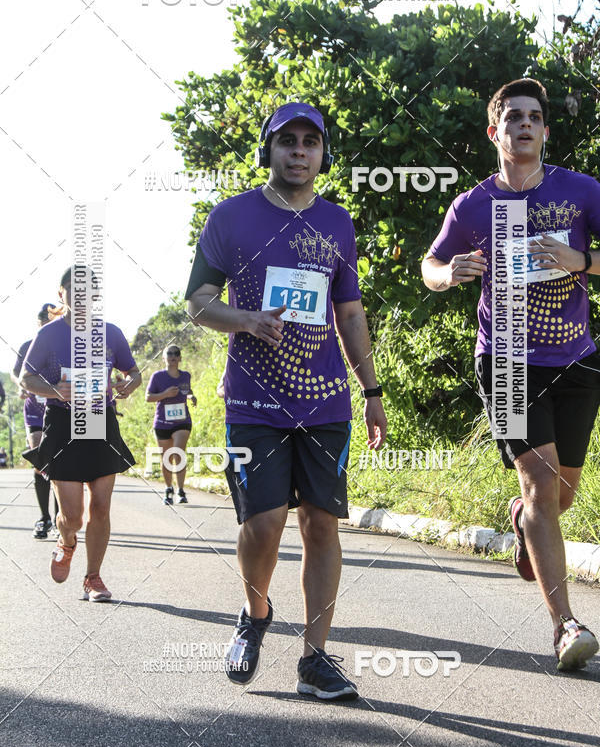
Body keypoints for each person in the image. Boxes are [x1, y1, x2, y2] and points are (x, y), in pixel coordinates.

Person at [186, 102, 387, 700]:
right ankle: (255, 613)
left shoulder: (338, 223)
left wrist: (372, 391)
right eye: (287, 142)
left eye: (310, 143)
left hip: (325, 400)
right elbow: (198, 300)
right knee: (264, 522)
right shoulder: (230, 217)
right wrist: (245, 319)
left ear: (322, 154)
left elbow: (349, 312)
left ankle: (316, 658)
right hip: (253, 400)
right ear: (268, 150)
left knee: (322, 524)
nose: (299, 152)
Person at [421, 78, 600, 671]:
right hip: (506, 360)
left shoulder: (581, 192)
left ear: (545, 131)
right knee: (540, 487)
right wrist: (453, 272)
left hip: (575, 360)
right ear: (495, 132)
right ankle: (564, 625)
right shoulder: (472, 205)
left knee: (560, 494)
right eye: (512, 118)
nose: (524, 125)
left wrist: (582, 260)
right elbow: (430, 264)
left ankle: (524, 523)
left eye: (534, 117)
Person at [20, 267, 141, 601]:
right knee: (72, 516)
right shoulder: (48, 335)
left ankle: (93, 578)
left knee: (101, 507)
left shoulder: (111, 333)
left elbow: (132, 371)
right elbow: (25, 380)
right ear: (63, 294)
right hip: (62, 423)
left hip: (100, 421)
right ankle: (67, 540)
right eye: (76, 290)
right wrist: (54, 388)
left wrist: (130, 382)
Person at [12, 303, 60, 538]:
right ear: (38, 323)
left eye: (50, 322)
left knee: (62, 463)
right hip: (35, 409)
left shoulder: (65, 345)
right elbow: (16, 371)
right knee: (40, 456)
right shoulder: (27, 346)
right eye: (43, 322)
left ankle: (62, 519)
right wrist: (21, 384)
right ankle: (44, 518)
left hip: (61, 408)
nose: (46, 326)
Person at [146, 345, 197, 505]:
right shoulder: (157, 376)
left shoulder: (185, 376)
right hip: (162, 422)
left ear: (180, 358)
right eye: (169, 353)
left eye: (176, 353)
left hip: (182, 421)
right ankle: (169, 488)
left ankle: (181, 490)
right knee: (167, 458)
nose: (173, 356)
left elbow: (186, 391)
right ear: (164, 358)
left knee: (178, 453)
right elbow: (148, 397)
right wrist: (165, 394)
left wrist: (191, 397)